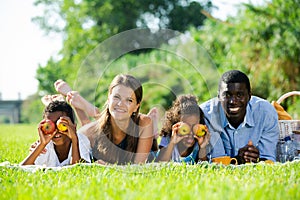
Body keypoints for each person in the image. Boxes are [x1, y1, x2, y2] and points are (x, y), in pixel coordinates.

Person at [56, 74, 154, 165]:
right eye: (116, 97)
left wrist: (108, 166)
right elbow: (75, 164)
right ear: (108, 98)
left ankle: (85, 106)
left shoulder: (144, 123)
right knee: (90, 131)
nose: (120, 104)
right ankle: (77, 103)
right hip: (95, 133)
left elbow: (138, 166)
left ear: (137, 106)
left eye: (129, 100)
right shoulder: (89, 132)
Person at [200, 70, 279, 164]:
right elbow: (217, 163)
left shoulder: (266, 113)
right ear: (218, 96)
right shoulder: (207, 114)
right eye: (227, 95)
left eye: (239, 95)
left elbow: (269, 159)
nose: (233, 101)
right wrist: (239, 160)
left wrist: (258, 159)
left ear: (249, 96)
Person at [21, 100, 91, 167]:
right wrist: (41, 144)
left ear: (73, 126)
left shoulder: (81, 140)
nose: (56, 130)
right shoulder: (47, 145)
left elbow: (77, 169)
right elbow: (23, 168)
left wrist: (74, 139)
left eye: (61, 124)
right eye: (50, 124)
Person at [155, 94, 211, 164]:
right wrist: (172, 143)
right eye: (186, 127)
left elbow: (204, 165)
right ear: (176, 125)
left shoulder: (198, 141)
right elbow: (160, 163)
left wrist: (202, 147)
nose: (190, 133)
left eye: (194, 127)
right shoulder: (169, 137)